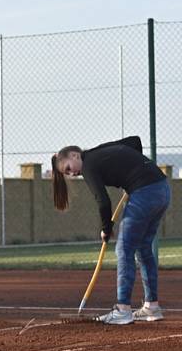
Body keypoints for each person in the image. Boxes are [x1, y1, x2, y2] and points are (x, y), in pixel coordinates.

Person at [52, 136, 170, 325]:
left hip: (145, 193)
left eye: (68, 168)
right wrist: (134, 170)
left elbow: (103, 201)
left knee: (124, 249)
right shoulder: (100, 151)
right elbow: (135, 141)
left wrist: (106, 229)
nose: (72, 174)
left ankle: (123, 310)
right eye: (67, 174)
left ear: (75, 155)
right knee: (143, 247)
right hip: (162, 189)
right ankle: (152, 307)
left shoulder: (88, 165)